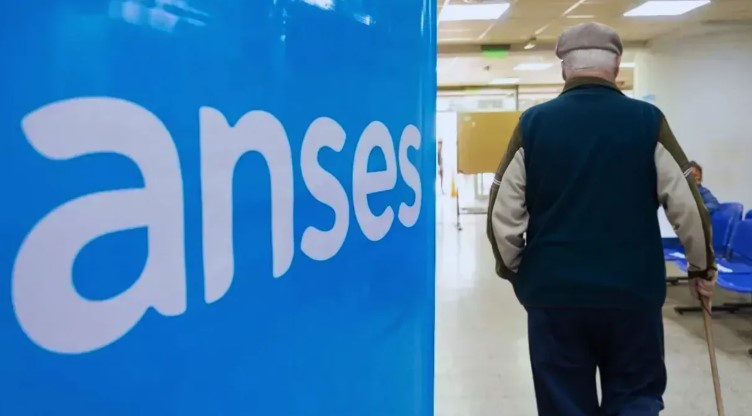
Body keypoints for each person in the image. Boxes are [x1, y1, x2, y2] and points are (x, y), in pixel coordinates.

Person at [486, 22, 717, 416]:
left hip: (554, 296)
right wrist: (702, 267)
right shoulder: (647, 121)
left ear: (564, 68)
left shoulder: (533, 124)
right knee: (635, 400)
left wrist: (520, 273)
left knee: (564, 405)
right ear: (617, 66)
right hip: (633, 295)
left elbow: (501, 214)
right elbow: (688, 206)